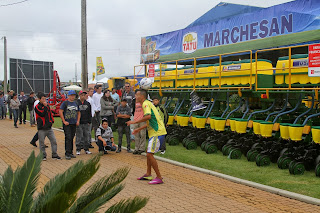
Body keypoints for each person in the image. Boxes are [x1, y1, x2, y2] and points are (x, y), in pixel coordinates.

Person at [127, 89, 167, 185]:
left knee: (149, 154)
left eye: (137, 95)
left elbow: (148, 117)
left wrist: (134, 122)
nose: (135, 97)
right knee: (148, 153)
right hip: (155, 132)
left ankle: (159, 177)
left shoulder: (145, 104)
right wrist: (139, 129)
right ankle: (148, 174)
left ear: (142, 96)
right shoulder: (147, 103)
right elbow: (151, 120)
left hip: (157, 132)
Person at [35, 92, 61, 161]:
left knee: (54, 141)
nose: (44, 100)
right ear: (39, 99)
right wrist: (45, 106)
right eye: (43, 99)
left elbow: (49, 114)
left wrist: (52, 121)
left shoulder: (47, 106)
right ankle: (43, 155)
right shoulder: (37, 107)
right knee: (42, 143)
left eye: (45, 99)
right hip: (42, 128)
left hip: (49, 127)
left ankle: (54, 154)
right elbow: (42, 113)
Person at [59, 90, 80, 160]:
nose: (72, 97)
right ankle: (67, 153)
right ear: (68, 96)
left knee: (71, 137)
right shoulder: (65, 103)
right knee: (68, 137)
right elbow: (60, 111)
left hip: (73, 123)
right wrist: (64, 121)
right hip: (67, 123)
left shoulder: (76, 103)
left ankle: (70, 152)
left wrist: (78, 120)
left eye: (73, 95)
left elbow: (78, 112)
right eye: (71, 95)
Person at [75, 90, 92, 155]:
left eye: (84, 95)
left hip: (86, 122)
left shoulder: (87, 104)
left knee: (86, 136)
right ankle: (78, 149)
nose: (83, 96)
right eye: (82, 95)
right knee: (79, 136)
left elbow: (89, 113)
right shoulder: (76, 103)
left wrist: (89, 121)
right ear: (79, 95)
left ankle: (86, 149)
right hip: (79, 122)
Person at [132, 91, 146, 155]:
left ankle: (142, 148)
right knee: (136, 135)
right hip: (136, 119)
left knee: (142, 134)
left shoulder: (143, 101)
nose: (137, 96)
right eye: (136, 94)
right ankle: (136, 148)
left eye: (139, 95)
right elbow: (133, 109)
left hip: (142, 119)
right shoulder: (133, 101)